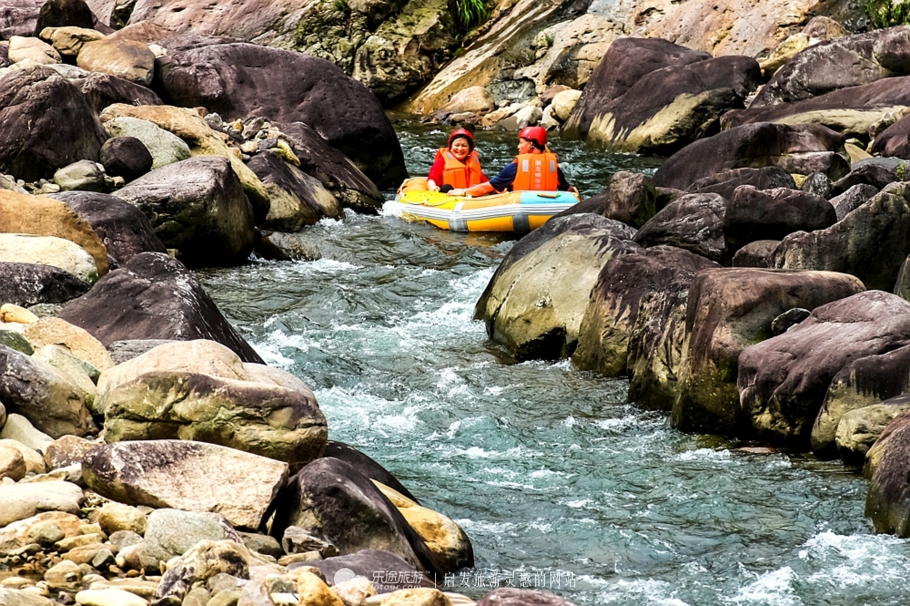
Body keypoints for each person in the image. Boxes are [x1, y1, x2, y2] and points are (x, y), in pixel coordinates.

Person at [454, 126, 577, 197]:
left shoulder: (516, 167)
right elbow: (567, 189)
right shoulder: (553, 166)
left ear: (531, 145)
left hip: (520, 207)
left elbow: (485, 188)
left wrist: (463, 191)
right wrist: (575, 192)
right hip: (546, 208)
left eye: (521, 143)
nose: (518, 147)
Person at [427, 128, 488, 193]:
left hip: (468, 196)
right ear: (451, 147)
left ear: (470, 149)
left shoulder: (473, 162)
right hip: (448, 195)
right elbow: (432, 177)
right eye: (457, 145)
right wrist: (432, 187)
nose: (460, 149)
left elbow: (485, 183)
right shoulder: (443, 160)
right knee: (446, 187)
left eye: (464, 146)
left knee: (475, 187)